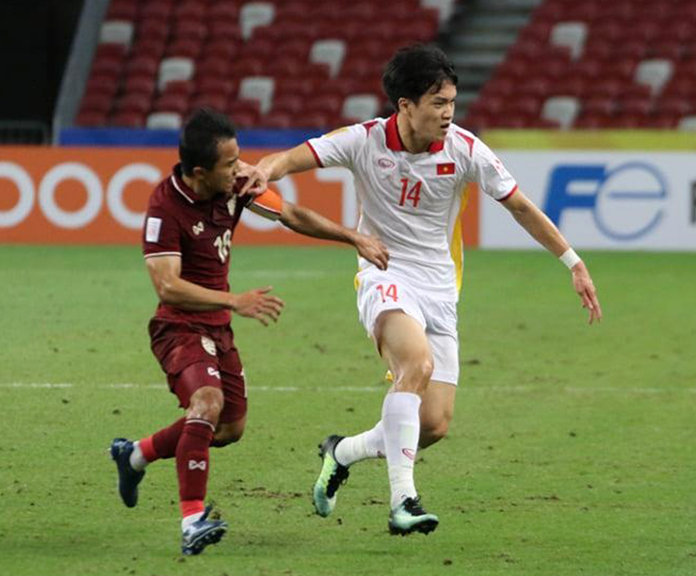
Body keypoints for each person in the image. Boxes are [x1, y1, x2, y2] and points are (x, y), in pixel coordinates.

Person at [251, 45, 602, 536]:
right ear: (405, 105)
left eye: (452, 102)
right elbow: (288, 159)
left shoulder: (464, 148)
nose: (448, 113)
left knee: (433, 424)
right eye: (438, 102)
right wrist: (260, 173)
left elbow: (520, 206)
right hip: (383, 274)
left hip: (440, 287)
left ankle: (343, 452)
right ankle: (403, 502)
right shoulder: (362, 140)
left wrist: (573, 261)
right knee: (416, 365)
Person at [109, 108, 388, 556]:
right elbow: (167, 285)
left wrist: (353, 238)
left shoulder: (236, 185)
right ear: (200, 172)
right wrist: (234, 301)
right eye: (230, 162)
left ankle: (135, 455)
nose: (242, 168)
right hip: (178, 325)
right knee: (208, 403)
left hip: (218, 328)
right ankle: (192, 520)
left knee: (228, 428)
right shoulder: (166, 207)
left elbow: (291, 214)